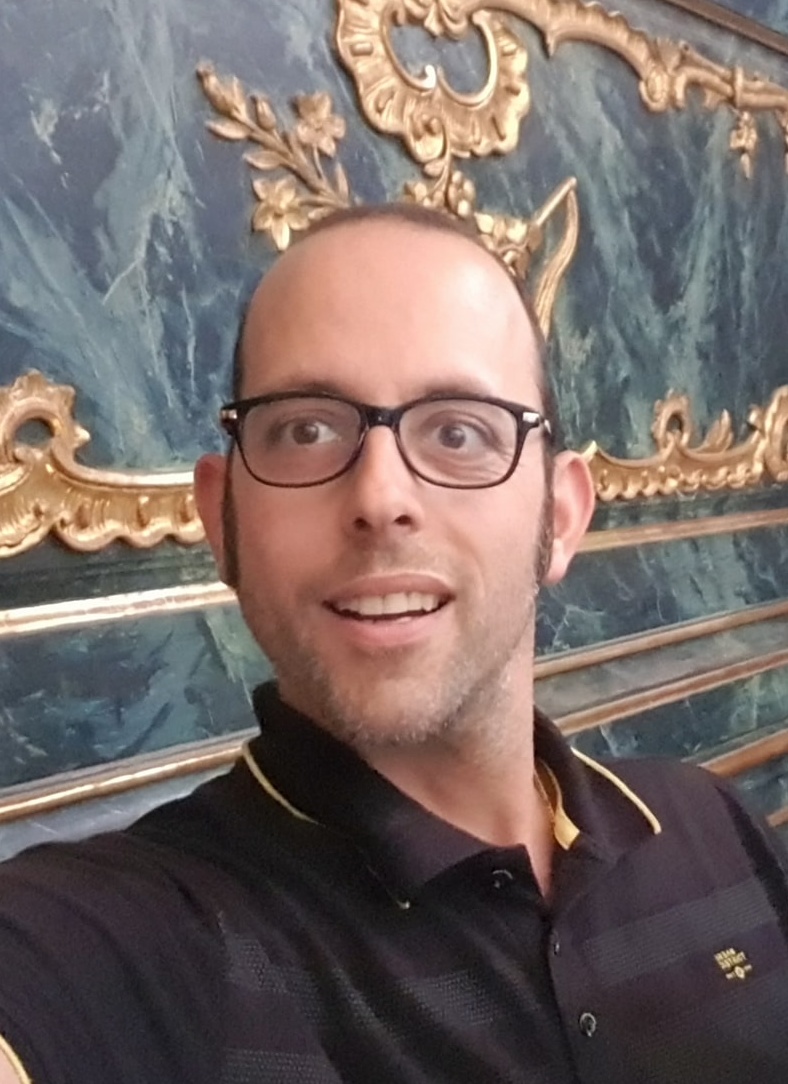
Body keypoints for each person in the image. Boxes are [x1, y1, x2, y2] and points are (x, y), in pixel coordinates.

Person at [1, 204, 787, 1084]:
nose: (381, 498)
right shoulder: (134, 945)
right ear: (222, 521)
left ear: (561, 517)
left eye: (459, 432)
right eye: (305, 429)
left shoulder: (707, 823)